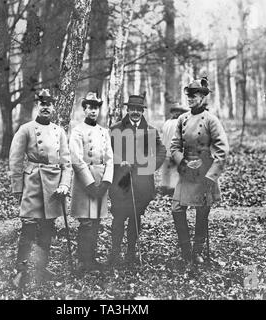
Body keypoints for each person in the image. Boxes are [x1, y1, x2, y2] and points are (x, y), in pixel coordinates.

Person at [9, 88, 72, 287]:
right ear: (38, 105)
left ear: (53, 107)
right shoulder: (26, 129)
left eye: (49, 104)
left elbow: (67, 163)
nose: (46, 107)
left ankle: (41, 268)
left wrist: (64, 184)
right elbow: (15, 160)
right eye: (42, 104)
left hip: (53, 186)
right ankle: (21, 270)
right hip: (32, 184)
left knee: (47, 228)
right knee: (28, 228)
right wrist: (18, 188)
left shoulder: (59, 131)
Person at [170, 78, 229, 264]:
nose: (190, 99)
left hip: (204, 172)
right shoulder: (182, 119)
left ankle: (197, 251)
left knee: (202, 212)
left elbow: (222, 151)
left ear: (203, 97)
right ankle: (186, 250)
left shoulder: (212, 120)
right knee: (176, 209)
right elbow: (174, 147)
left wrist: (211, 176)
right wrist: (184, 164)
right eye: (188, 95)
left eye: (193, 96)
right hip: (187, 172)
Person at [109, 93, 166, 266]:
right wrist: (120, 162)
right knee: (118, 218)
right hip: (121, 183)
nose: (135, 112)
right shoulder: (116, 129)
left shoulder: (150, 131)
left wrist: (150, 166)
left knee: (135, 217)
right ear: (127, 109)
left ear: (142, 111)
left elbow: (162, 151)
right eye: (132, 109)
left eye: (138, 110)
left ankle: (131, 252)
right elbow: (107, 153)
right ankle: (115, 253)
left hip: (142, 185)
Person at [69, 92, 114, 273]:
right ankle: (82, 260)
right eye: (90, 107)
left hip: (100, 181)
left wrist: (105, 183)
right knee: (86, 222)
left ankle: (92, 259)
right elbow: (76, 159)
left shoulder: (104, 132)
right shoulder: (78, 130)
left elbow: (110, 159)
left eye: (96, 107)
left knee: (96, 222)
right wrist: (89, 184)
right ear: (84, 109)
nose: (93, 111)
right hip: (84, 181)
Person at [160, 103, 189, 196]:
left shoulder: (166, 123)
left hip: (165, 151)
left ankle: (165, 189)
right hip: (174, 150)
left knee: (166, 172)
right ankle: (172, 190)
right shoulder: (180, 124)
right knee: (175, 172)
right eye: (177, 112)